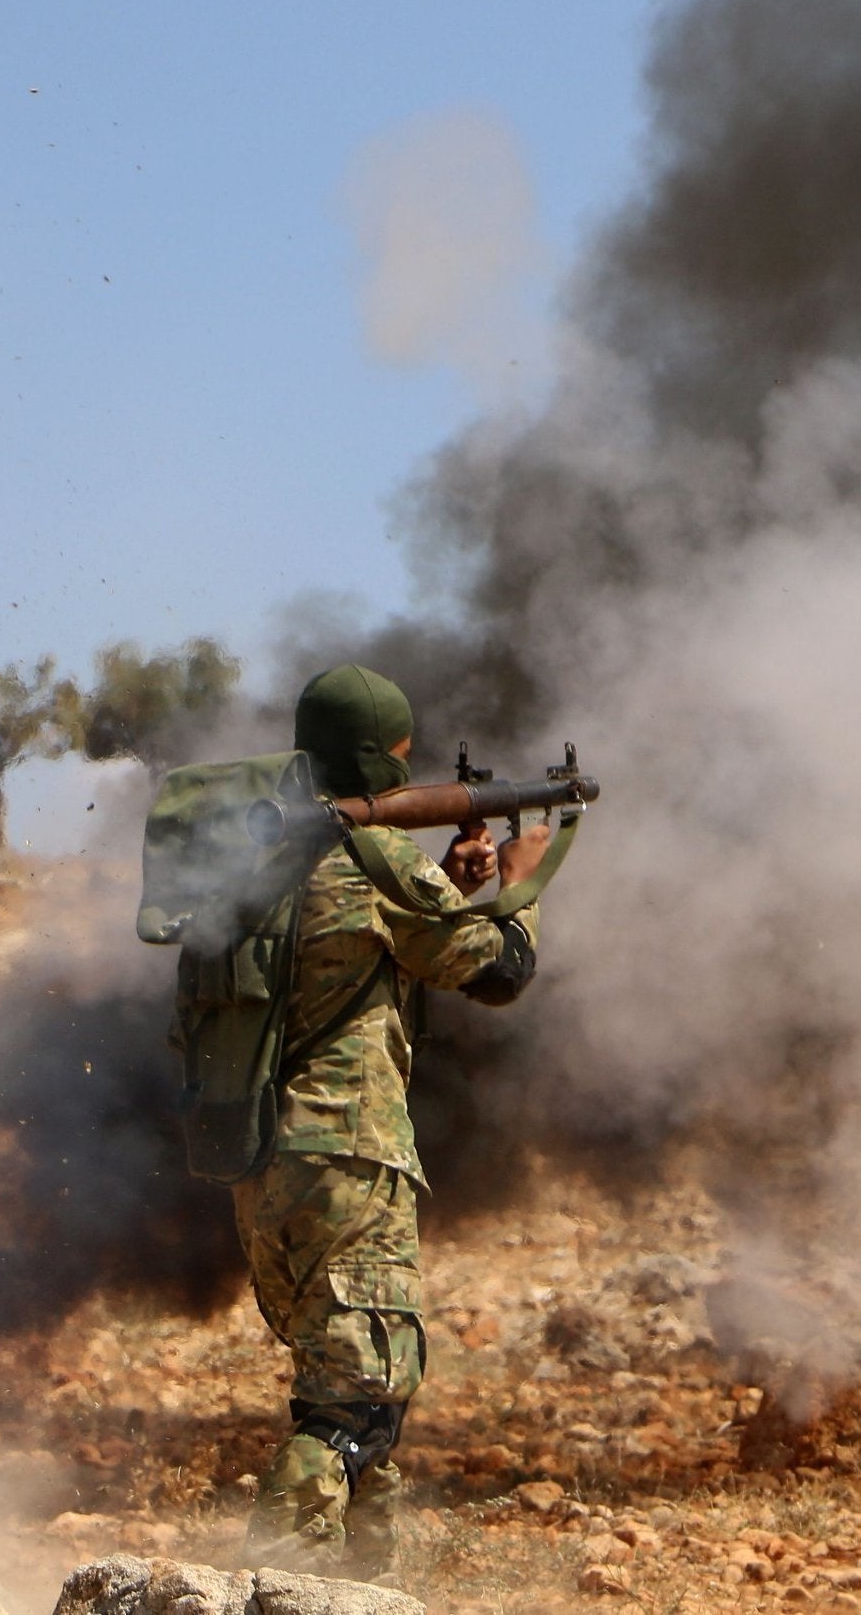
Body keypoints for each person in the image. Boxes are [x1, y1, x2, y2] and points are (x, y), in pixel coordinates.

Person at [224, 664, 549, 1575]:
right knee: (356, 1406)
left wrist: (445, 878)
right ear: (379, 756)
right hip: (350, 1162)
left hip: (265, 1164)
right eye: (399, 763)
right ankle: (280, 1579)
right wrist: (522, 888)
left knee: (356, 1393)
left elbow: (354, 956)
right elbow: (495, 972)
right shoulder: (373, 860)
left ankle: (363, 1588)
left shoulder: (268, 858)